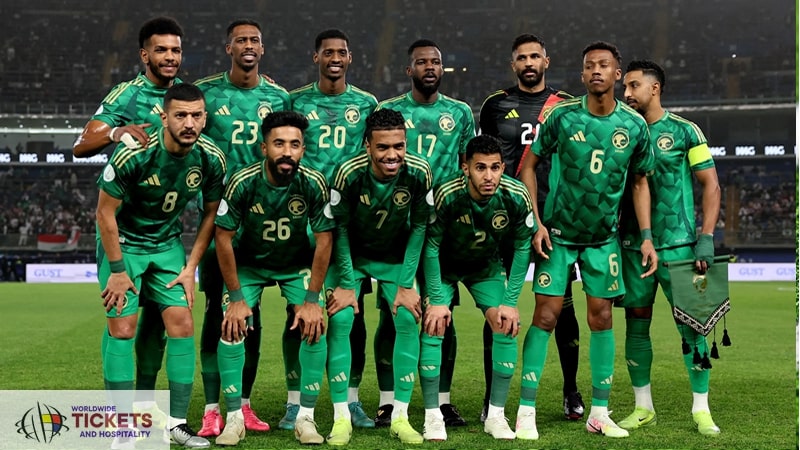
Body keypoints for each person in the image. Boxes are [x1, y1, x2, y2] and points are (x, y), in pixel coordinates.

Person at [516, 41, 657, 440]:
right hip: (558, 237)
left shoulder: (634, 125)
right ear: (582, 75)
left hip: (603, 240)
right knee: (545, 317)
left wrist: (647, 237)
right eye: (590, 65)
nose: (596, 70)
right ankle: (525, 411)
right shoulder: (562, 116)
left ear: (617, 74)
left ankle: (599, 412)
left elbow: (640, 182)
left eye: (604, 65)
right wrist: (536, 222)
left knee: (602, 318)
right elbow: (528, 167)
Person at [96, 82, 226, 449]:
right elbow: (104, 213)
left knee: (183, 324)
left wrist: (191, 266)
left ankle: (177, 424)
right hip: (124, 244)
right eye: (181, 115)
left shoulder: (211, 157)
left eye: (196, 115)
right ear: (164, 117)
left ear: (205, 118)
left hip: (168, 246)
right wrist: (117, 271)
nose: (190, 123)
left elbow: (211, 213)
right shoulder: (134, 152)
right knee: (123, 329)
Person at [73, 16, 184, 428]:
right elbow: (81, 145)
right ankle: (121, 420)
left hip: (166, 234)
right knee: (122, 324)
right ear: (144, 55)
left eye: (175, 50)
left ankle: (146, 407)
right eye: (161, 50)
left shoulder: (186, 96)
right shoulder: (127, 94)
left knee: (160, 327)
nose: (170, 57)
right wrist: (116, 132)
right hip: (124, 234)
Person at [479, 33, 584, 422]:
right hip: (505, 220)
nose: (528, 63)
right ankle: (492, 396)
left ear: (546, 61)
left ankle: (571, 390)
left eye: (534, 56)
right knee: (497, 309)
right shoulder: (494, 105)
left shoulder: (567, 105)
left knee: (562, 308)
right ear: (513, 64)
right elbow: (484, 158)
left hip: (553, 222)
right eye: (521, 58)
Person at [194, 18, 291, 438]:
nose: (248, 45)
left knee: (252, 314)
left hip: (265, 223)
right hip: (221, 224)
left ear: (262, 49)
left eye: (255, 40)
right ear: (228, 48)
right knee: (216, 312)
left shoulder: (279, 96)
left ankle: (244, 404)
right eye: (241, 40)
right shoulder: (206, 93)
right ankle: (212, 408)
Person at [212, 111, 333, 446]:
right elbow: (223, 237)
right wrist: (237, 299)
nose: (287, 152)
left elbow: (325, 240)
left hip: (295, 264)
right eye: (279, 144)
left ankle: (305, 417)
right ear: (264, 147)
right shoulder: (243, 181)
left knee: (314, 324)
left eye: (294, 144)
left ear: (303, 149)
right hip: (249, 265)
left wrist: (311, 300)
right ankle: (234, 419)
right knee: (232, 325)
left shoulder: (313, 182)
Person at [617, 59, 722, 436]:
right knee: (636, 324)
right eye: (625, 87)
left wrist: (706, 237)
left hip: (680, 246)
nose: (626, 93)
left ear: (654, 87)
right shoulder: (620, 130)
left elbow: (710, 184)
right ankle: (643, 407)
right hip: (632, 247)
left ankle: (701, 410)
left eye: (633, 86)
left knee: (694, 328)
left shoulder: (684, 131)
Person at [374, 38, 475, 428]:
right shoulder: (389, 110)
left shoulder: (460, 112)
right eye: (421, 62)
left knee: (442, 315)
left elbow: (467, 166)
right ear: (409, 70)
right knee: (392, 316)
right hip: (398, 231)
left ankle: (443, 401)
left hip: (442, 232)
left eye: (435, 61)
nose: (429, 67)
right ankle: (387, 401)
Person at [286, 28, 378, 431]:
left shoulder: (367, 103)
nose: (335, 58)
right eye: (328, 52)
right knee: (297, 311)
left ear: (350, 58)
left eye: (341, 52)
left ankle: (351, 399)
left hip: (347, 226)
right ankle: (295, 402)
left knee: (352, 314)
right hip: (303, 220)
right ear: (316, 57)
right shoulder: (295, 101)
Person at [326, 108, 432, 445]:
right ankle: (341, 417)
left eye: (399, 146)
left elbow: (419, 227)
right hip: (352, 258)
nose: (392, 155)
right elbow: (340, 230)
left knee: (408, 317)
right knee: (341, 318)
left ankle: (400, 416)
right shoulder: (347, 173)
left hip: (394, 258)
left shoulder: (420, 172)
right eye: (383, 147)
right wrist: (346, 284)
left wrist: (405, 284)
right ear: (368, 146)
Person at [421, 134, 532, 442]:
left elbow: (523, 246)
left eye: (495, 168)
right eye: (480, 168)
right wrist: (437, 300)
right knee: (433, 325)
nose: (489, 176)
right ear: (466, 168)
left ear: (503, 168)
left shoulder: (516, 194)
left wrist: (510, 301)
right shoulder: (447, 194)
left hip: (485, 268)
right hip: (444, 268)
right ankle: (432, 417)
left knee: (505, 324)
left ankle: (496, 416)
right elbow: (431, 246)